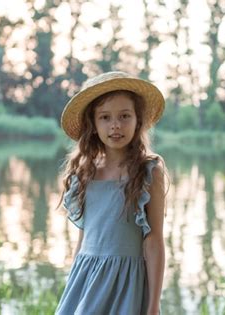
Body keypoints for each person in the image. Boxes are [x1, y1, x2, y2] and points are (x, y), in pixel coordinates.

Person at [56, 71, 167, 315]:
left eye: (124, 116)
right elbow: (83, 239)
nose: (115, 125)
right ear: (93, 125)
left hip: (128, 282)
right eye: (105, 117)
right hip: (87, 279)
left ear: (138, 121)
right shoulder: (83, 173)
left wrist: (153, 305)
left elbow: (154, 241)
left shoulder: (149, 171)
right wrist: (73, 285)